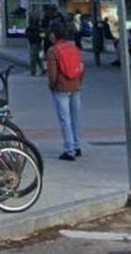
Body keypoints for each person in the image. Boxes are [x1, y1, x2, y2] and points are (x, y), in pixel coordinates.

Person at [46, 23, 85, 161]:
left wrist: (52, 85)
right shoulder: (73, 47)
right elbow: (81, 66)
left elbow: (52, 73)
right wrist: (79, 82)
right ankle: (77, 146)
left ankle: (69, 150)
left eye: (51, 33)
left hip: (61, 88)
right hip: (75, 85)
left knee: (65, 119)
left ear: (54, 35)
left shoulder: (53, 51)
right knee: (75, 118)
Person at [24, 9, 44, 76]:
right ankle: (42, 69)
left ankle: (33, 71)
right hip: (37, 43)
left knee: (33, 58)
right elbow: (42, 35)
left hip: (34, 43)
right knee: (38, 57)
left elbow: (41, 35)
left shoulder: (34, 26)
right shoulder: (38, 26)